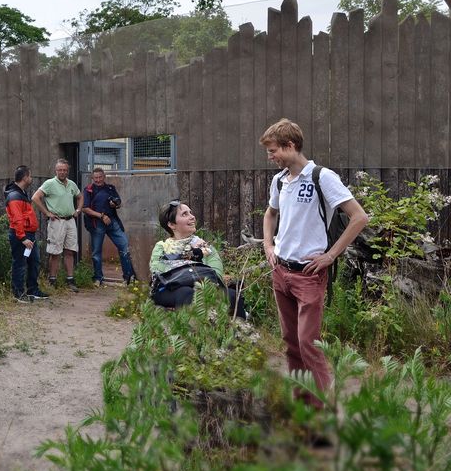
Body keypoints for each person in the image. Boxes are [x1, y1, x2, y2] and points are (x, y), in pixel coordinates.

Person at [260, 118, 368, 410]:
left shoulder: (322, 177)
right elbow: (270, 214)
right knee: (291, 343)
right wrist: (269, 245)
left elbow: (359, 217)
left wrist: (330, 255)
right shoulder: (280, 180)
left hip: (308, 275)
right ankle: (301, 404)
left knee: (309, 343)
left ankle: (324, 409)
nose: (270, 158)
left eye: (273, 151)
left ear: (290, 146)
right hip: (281, 271)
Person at [149, 200, 242, 315]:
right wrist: (191, 255)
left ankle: (240, 330)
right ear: (171, 224)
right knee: (186, 293)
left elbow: (216, 274)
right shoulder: (161, 247)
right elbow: (157, 269)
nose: (192, 217)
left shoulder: (206, 248)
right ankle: (191, 331)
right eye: (185, 214)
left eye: (191, 213)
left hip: (205, 288)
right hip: (169, 289)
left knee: (232, 295)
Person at [32, 158, 83, 292]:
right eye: (60, 170)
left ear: (68, 171)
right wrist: (47, 213)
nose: (62, 172)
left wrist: (78, 210)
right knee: (55, 252)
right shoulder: (49, 183)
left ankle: (70, 279)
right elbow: (35, 197)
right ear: (56, 171)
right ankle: (52, 280)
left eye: (65, 170)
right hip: (57, 221)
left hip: (70, 220)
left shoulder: (71, 184)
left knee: (70, 251)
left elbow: (80, 197)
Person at [81, 167, 137, 287]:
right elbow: (85, 208)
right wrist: (101, 216)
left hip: (113, 221)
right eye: (95, 178)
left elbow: (119, 203)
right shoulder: (88, 190)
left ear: (104, 177)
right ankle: (98, 278)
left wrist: (115, 204)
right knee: (96, 252)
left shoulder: (110, 188)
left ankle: (129, 278)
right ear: (92, 178)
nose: (98, 180)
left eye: (100, 177)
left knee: (124, 247)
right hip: (97, 224)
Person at [5, 165, 49, 303]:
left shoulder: (21, 193)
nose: (31, 178)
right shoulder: (14, 195)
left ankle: (32, 290)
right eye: (30, 176)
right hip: (21, 236)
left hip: (28, 235)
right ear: (25, 177)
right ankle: (18, 293)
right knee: (20, 263)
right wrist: (22, 237)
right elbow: (17, 219)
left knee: (34, 261)